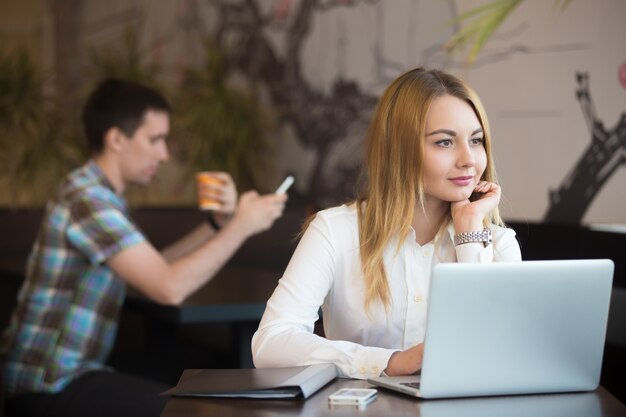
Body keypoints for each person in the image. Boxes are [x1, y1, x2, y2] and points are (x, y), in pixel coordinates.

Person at [0, 78, 287, 417]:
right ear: (117, 139)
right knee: (199, 409)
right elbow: (168, 287)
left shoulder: (96, 194)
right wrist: (241, 225)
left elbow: (153, 269)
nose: (164, 154)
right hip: (49, 384)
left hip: (67, 373)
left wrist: (218, 225)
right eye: (155, 140)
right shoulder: (89, 201)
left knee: (204, 371)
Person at [251, 67, 522, 379]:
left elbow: (496, 355)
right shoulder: (335, 231)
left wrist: (471, 238)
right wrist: (389, 362)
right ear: (399, 148)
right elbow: (270, 343)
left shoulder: (497, 244)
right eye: (444, 142)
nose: (469, 159)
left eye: (476, 141)